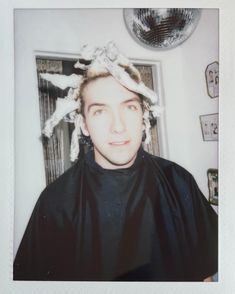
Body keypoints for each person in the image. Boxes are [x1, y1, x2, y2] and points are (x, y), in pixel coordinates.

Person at [14, 42, 218, 281]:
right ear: (83, 125)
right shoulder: (56, 203)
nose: (118, 127)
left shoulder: (178, 181)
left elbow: (205, 277)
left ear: (143, 115)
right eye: (100, 111)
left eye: (129, 107)